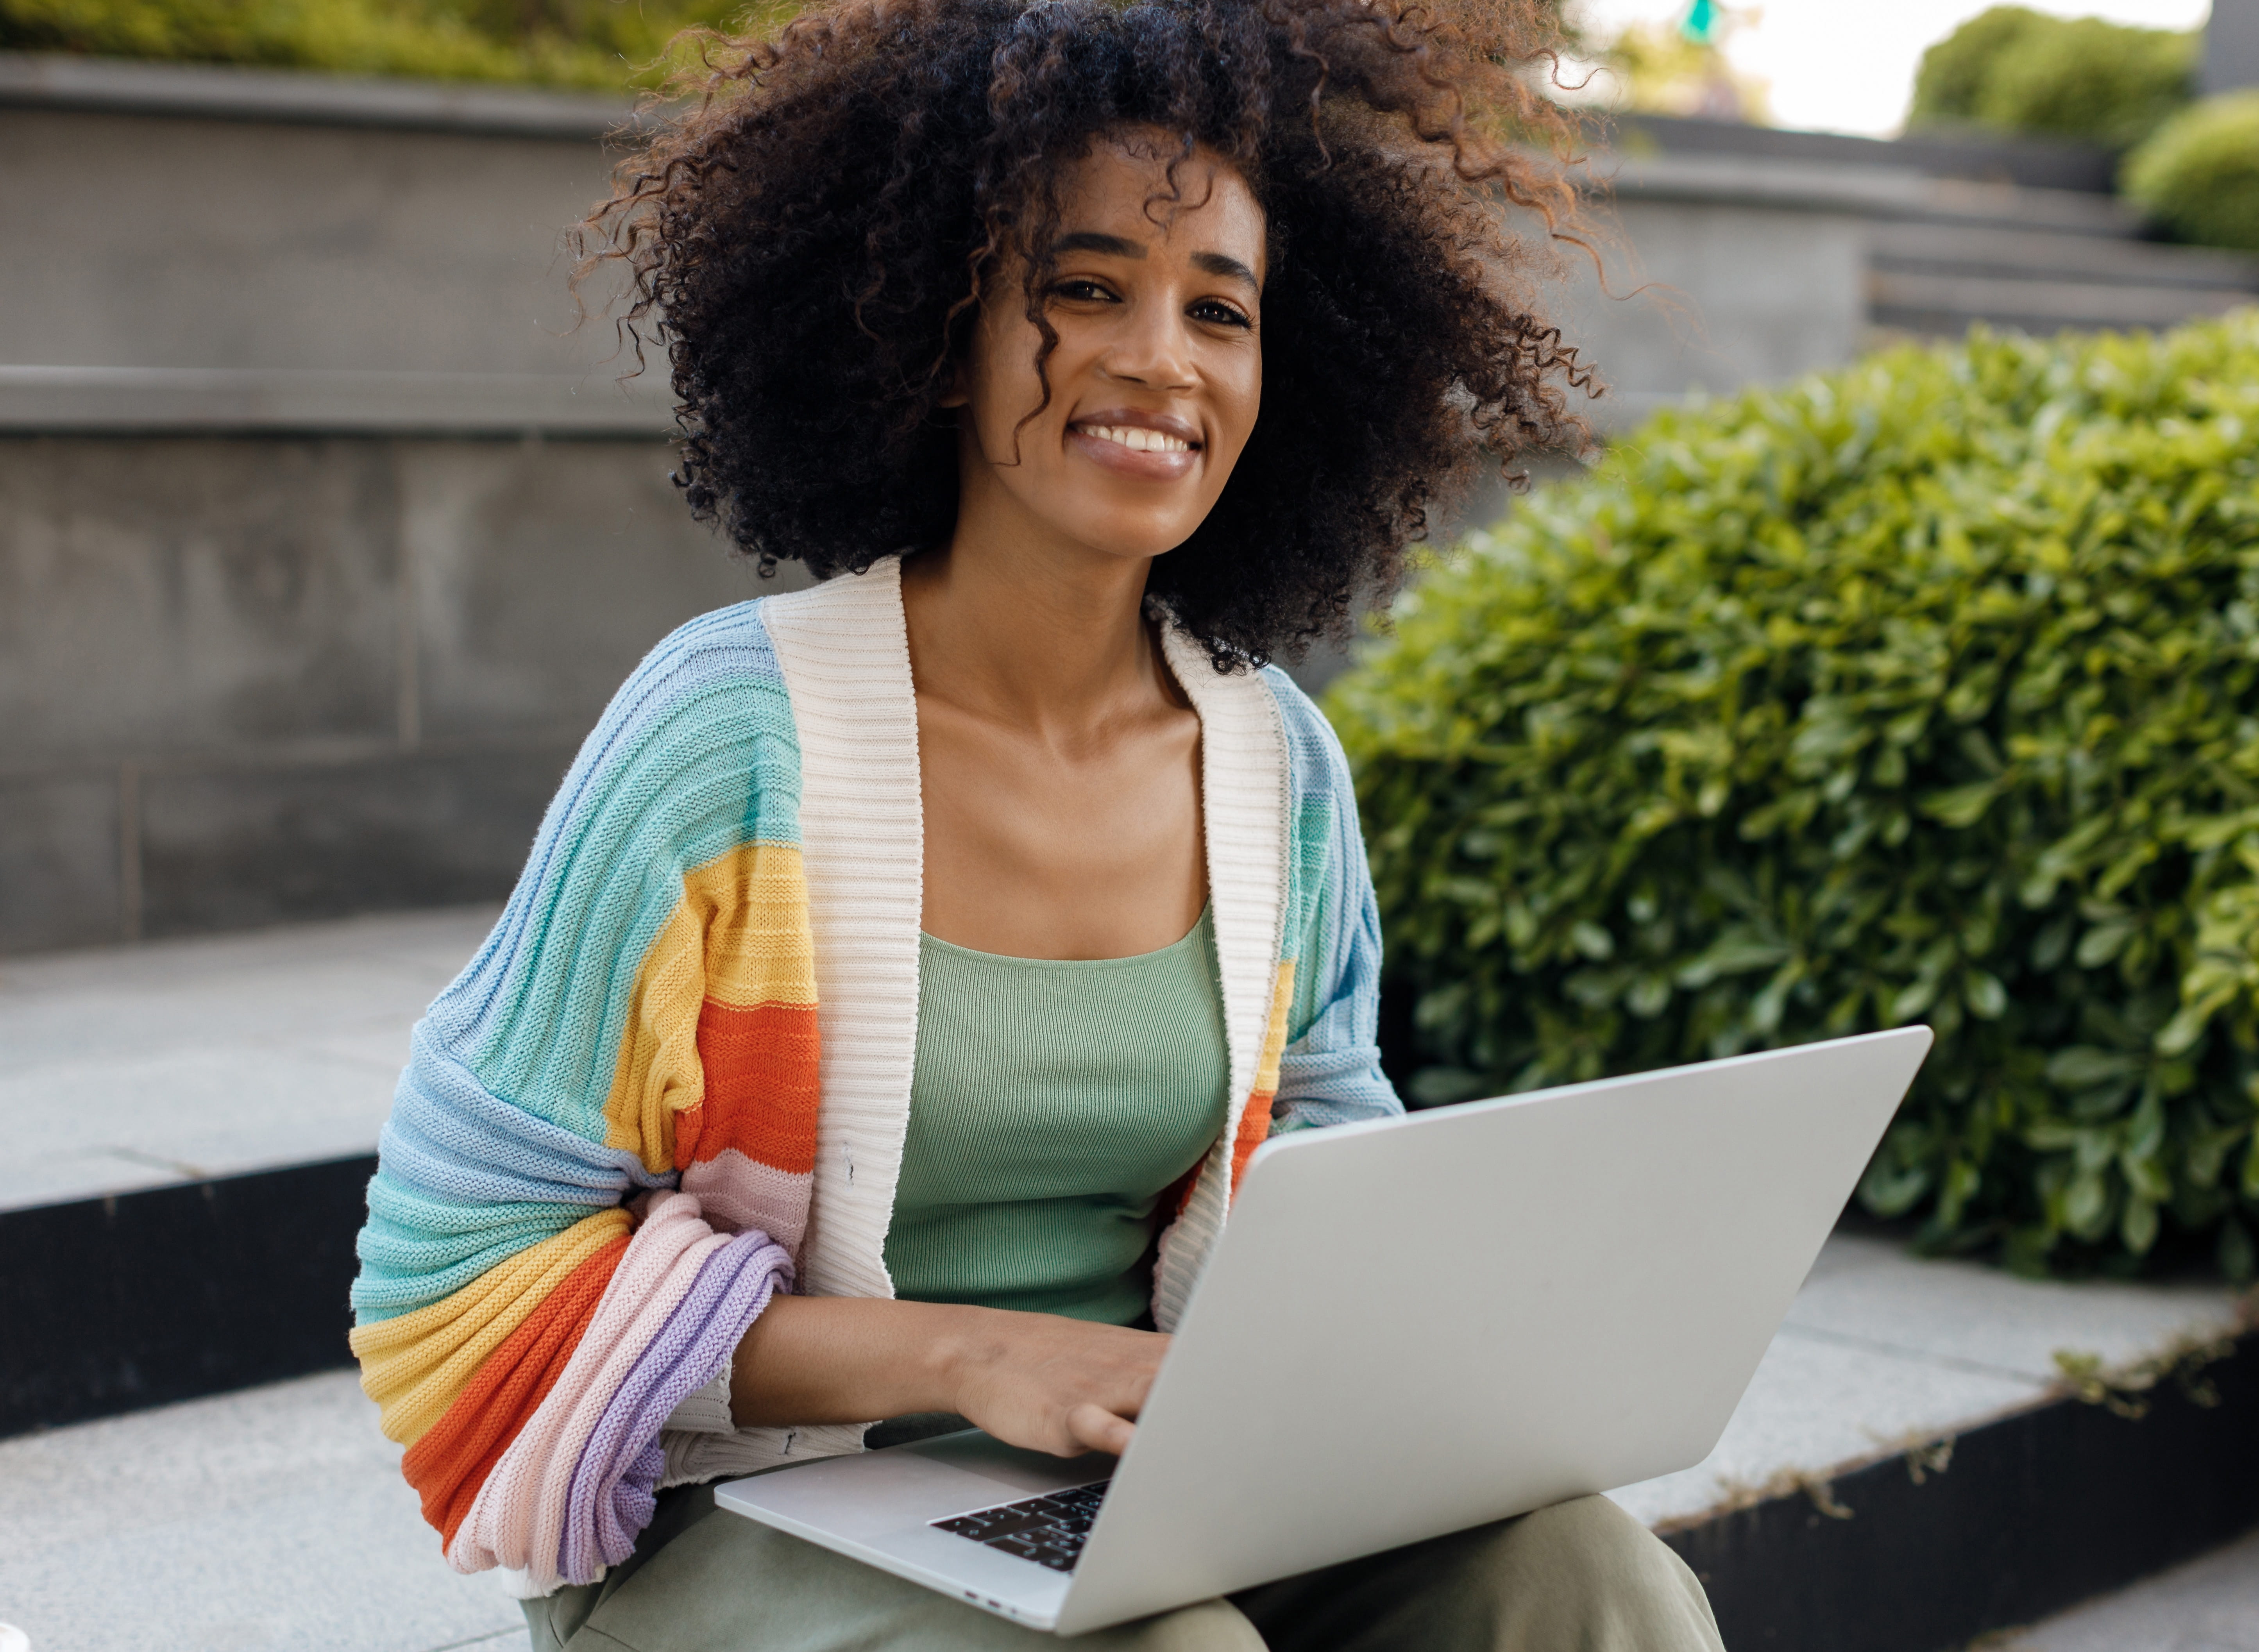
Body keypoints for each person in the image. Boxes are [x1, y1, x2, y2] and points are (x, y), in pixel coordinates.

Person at [347, 0, 1725, 1645]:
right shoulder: (730, 739)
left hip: (1141, 1476)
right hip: (750, 1502)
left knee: (1584, 1579)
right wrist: (970, 1355)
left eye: (1220, 309)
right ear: (938, 328)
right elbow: (458, 1262)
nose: (1159, 356)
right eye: (1083, 290)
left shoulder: (1274, 768)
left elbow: (1322, 1164)